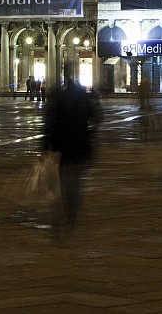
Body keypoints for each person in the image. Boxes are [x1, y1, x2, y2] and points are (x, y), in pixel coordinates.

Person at [41, 74, 101, 238]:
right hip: (79, 147)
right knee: (74, 181)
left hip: (63, 148)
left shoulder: (58, 101)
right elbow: (97, 117)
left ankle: (67, 210)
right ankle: (72, 211)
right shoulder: (82, 101)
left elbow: (49, 125)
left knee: (64, 181)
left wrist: (46, 147)